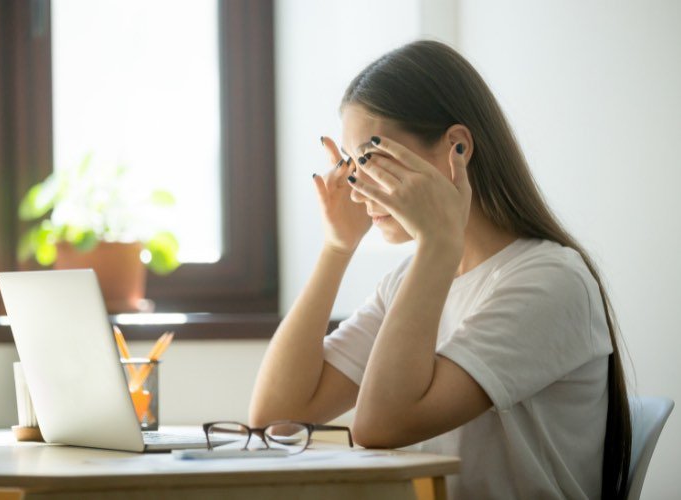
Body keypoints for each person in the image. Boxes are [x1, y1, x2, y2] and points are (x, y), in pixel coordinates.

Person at [249, 40, 631, 499]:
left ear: (457, 149)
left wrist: (438, 243)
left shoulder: (549, 280)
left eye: (372, 159)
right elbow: (275, 418)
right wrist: (336, 246)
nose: (356, 189)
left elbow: (381, 426)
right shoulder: (411, 282)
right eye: (352, 166)